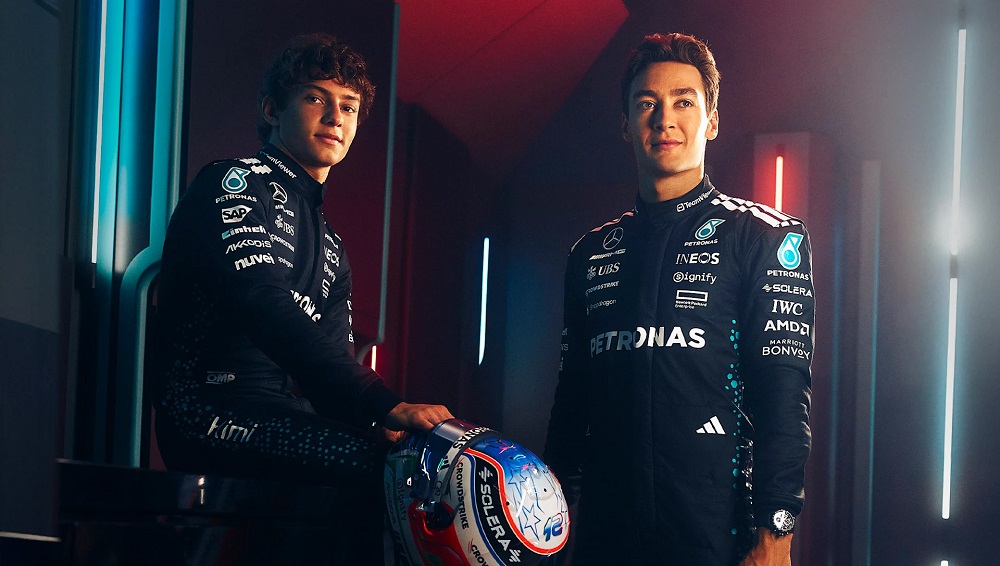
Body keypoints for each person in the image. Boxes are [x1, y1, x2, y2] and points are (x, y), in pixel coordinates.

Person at [151, 33, 453, 562]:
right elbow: (262, 302)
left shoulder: (333, 246)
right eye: (316, 98)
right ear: (272, 110)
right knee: (388, 477)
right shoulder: (232, 182)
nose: (336, 117)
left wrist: (380, 423)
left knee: (424, 465)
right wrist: (385, 403)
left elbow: (330, 373)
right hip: (204, 411)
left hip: (281, 415)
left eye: (349, 106)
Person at [543, 33, 813, 565]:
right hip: (605, 540)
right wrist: (546, 526)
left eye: (684, 102)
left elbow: (783, 396)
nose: (664, 119)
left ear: (712, 121)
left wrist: (775, 534)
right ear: (625, 124)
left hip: (718, 538)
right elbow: (571, 403)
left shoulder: (765, 238)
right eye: (647, 103)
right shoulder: (590, 253)